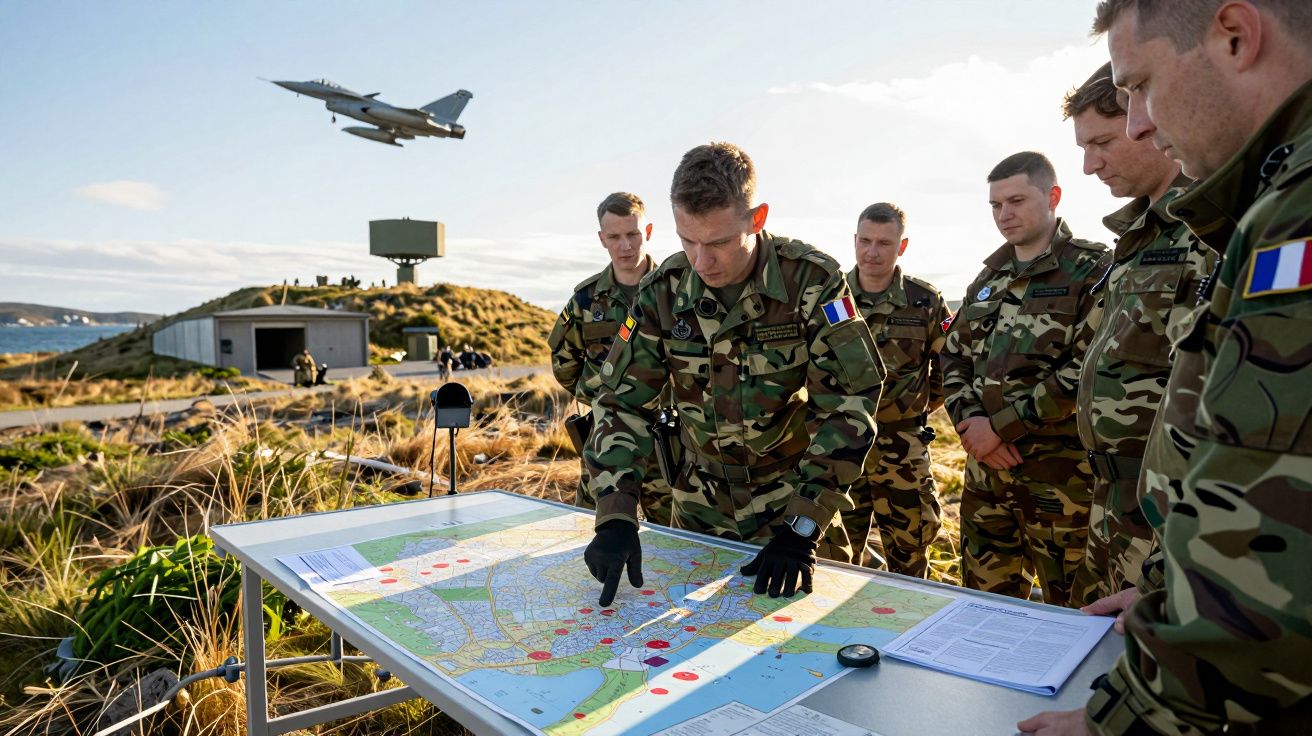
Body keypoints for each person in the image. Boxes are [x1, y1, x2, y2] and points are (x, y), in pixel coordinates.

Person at [1021, 1, 1312, 733]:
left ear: (1237, 37)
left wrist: (1128, 720)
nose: (1139, 121)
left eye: (1142, 86)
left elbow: (1273, 519)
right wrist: (1164, 583)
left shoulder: (1295, 214)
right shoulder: (1268, 201)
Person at [582, 142, 885, 605]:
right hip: (697, 511)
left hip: (792, 509)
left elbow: (849, 400)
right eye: (688, 240)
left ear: (756, 218)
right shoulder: (663, 290)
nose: (701, 262)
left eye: (719, 243)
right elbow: (622, 401)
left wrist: (803, 525)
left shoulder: (811, 281)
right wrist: (616, 513)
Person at [1061, 63, 1217, 606]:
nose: (1089, 165)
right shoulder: (1130, 241)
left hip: (1173, 515)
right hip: (1109, 505)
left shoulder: (1211, 225)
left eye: (1101, 142)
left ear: (1144, 121)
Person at [941, 151, 1109, 607]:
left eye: (1015, 200)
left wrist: (1000, 428)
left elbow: (1090, 368)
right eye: (995, 205)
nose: (1004, 214)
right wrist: (974, 428)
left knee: (1073, 615)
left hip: (1060, 485)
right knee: (982, 609)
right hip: (986, 480)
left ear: (1053, 196)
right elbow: (952, 358)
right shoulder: (988, 279)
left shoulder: (1093, 271)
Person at [824, 202, 952, 577]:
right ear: (854, 240)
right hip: (841, 447)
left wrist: (914, 407)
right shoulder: (832, 298)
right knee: (835, 562)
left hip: (903, 452)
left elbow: (949, 366)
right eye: (865, 241)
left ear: (902, 245)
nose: (872, 252)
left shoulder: (924, 301)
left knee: (909, 560)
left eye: (884, 242)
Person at [546, 192, 673, 524]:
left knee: (675, 536)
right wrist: (603, 399)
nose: (625, 245)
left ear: (648, 231)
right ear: (602, 239)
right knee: (589, 527)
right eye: (615, 237)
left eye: (632, 234)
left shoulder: (675, 292)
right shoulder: (587, 300)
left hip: (669, 440)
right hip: (607, 439)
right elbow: (564, 360)